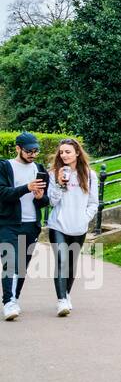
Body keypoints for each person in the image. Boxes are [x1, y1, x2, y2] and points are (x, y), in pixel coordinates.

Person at [45, 138, 98, 316]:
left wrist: (84, 219)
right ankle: (61, 301)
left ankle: (66, 294)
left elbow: (93, 203)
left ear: (77, 153)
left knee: (71, 263)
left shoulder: (90, 175)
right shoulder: (54, 173)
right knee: (61, 261)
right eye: (61, 152)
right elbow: (51, 201)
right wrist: (60, 184)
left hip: (79, 227)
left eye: (67, 151)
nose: (64, 155)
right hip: (58, 225)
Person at [1, 132, 50, 321]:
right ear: (18, 149)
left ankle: (15, 299)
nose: (33, 154)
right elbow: (2, 193)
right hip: (8, 223)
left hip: (32, 225)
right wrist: (26, 188)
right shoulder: (5, 166)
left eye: (36, 150)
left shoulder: (39, 168)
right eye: (29, 150)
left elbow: (45, 199)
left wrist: (40, 198)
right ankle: (8, 302)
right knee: (9, 263)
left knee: (22, 266)